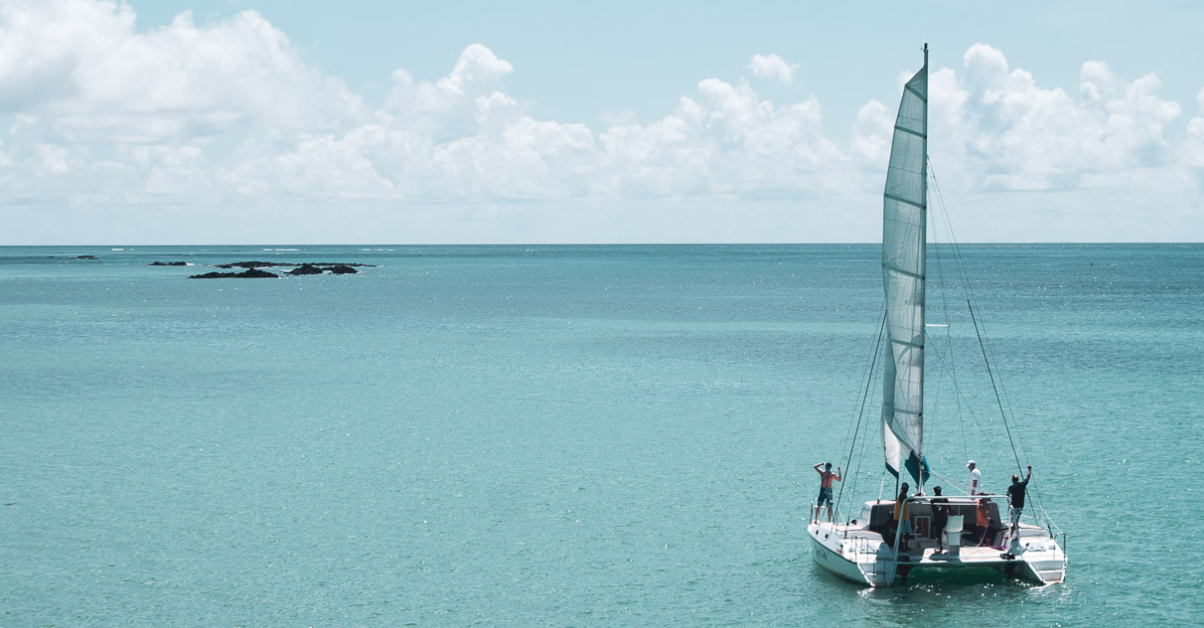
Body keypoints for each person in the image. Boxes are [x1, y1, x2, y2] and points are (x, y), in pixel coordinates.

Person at [1006, 466, 1033, 535]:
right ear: (1018, 479)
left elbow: (1007, 495)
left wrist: (1009, 503)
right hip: (1021, 505)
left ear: (1012, 480)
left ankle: (1012, 535)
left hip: (1014, 506)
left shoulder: (1011, 487)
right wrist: (1029, 469)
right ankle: (1015, 531)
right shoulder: (1022, 484)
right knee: (1016, 520)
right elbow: (1028, 477)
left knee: (1014, 521)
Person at [930, 486, 950, 553]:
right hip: (943, 517)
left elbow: (933, 508)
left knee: (938, 532)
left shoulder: (933, 499)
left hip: (939, 518)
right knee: (942, 531)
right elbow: (949, 507)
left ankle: (941, 545)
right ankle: (944, 546)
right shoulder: (944, 498)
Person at [892, 483, 912, 551]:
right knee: (901, 533)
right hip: (900, 518)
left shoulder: (904, 494)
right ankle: (900, 546)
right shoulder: (902, 495)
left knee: (907, 532)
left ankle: (906, 545)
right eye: (906, 488)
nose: (907, 489)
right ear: (904, 488)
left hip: (905, 517)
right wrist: (915, 498)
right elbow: (907, 500)